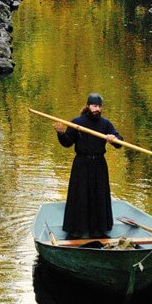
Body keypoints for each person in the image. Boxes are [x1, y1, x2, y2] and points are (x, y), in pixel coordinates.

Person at [54, 93, 124, 238]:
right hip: (81, 164)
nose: (96, 109)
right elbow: (67, 143)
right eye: (94, 106)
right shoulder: (77, 122)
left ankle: (97, 229)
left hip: (99, 164)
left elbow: (120, 143)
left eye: (99, 106)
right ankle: (76, 229)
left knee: (98, 196)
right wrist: (61, 133)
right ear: (88, 106)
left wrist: (114, 139)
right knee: (80, 196)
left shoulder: (106, 124)